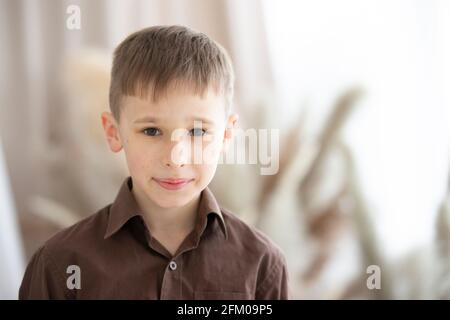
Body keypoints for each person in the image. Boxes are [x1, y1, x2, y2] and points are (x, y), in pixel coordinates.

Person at [19, 25, 289, 299]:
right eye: (151, 131)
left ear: (227, 136)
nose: (175, 158)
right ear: (114, 133)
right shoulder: (58, 265)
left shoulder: (262, 266)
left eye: (197, 132)